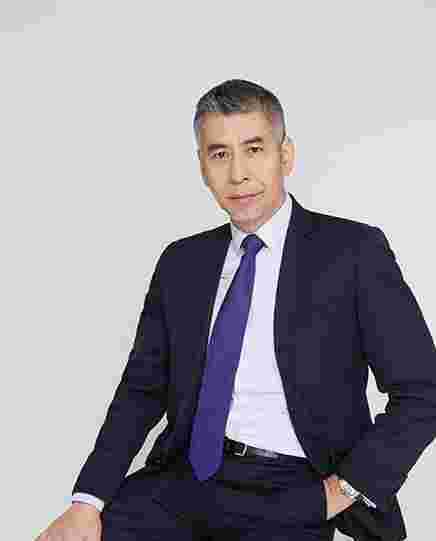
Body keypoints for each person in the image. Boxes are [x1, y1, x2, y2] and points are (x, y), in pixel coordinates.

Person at [35, 79, 436, 541]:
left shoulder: (352, 251)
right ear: (202, 167)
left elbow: (423, 390)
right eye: (220, 154)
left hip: (295, 488)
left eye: (254, 149)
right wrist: (87, 501)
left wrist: (343, 489)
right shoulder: (182, 262)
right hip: (185, 480)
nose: (238, 173)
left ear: (285, 156)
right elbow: (141, 390)